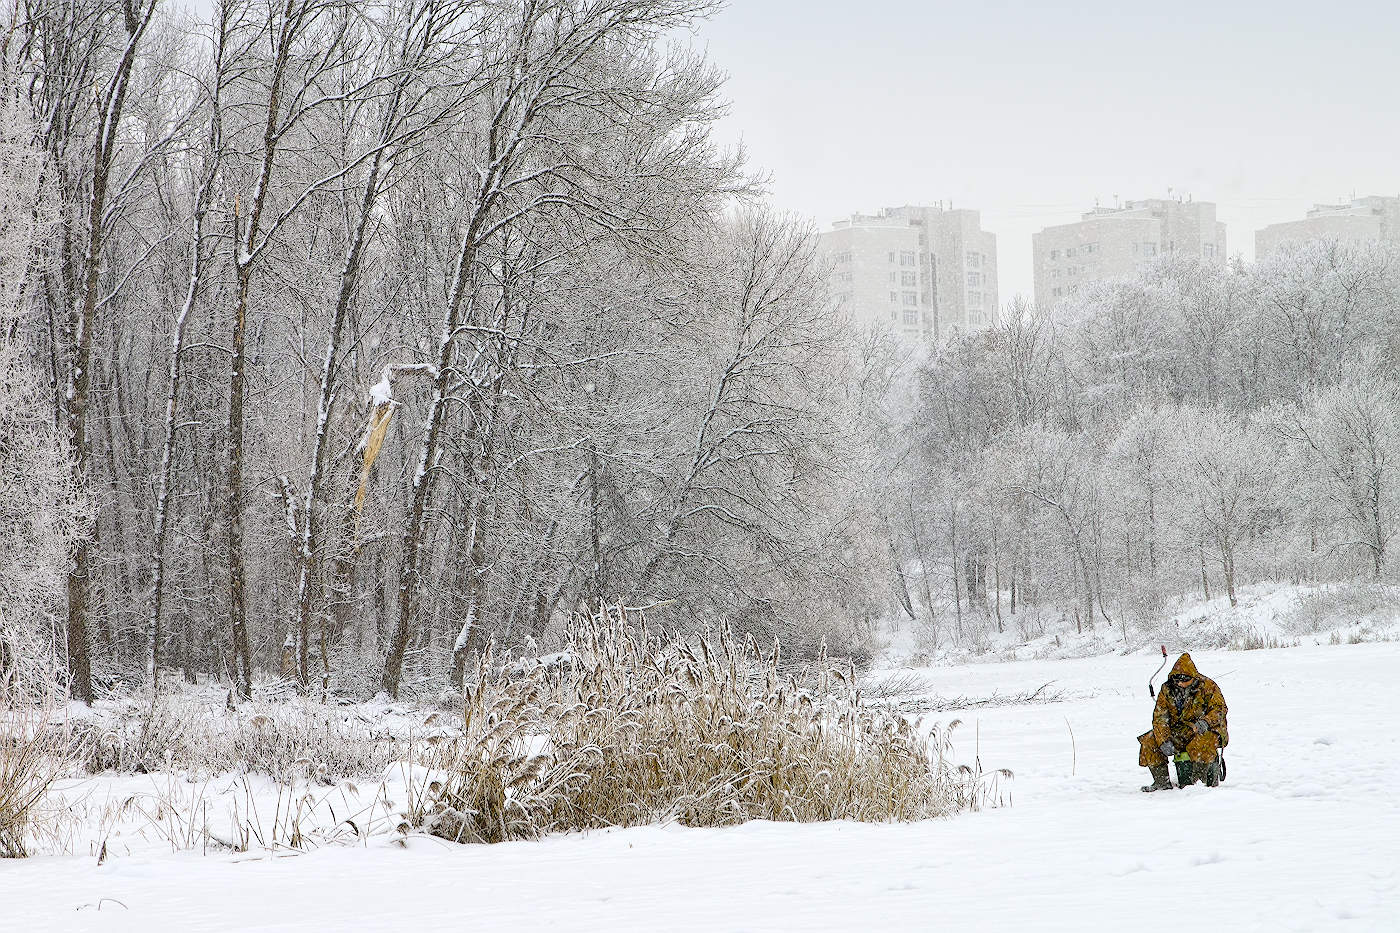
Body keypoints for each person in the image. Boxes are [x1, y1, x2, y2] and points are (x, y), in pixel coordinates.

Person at [1139, 652, 1228, 792]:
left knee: (1201, 743)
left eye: (1185, 680)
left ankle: (1201, 784)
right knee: (1150, 740)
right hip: (1179, 732)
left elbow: (1220, 709)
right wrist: (1163, 740)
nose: (1180, 683)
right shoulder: (1167, 689)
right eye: (1177, 680)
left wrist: (1205, 722)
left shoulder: (1208, 686)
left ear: (1192, 677)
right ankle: (1161, 782)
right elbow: (1160, 717)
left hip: (1206, 731)